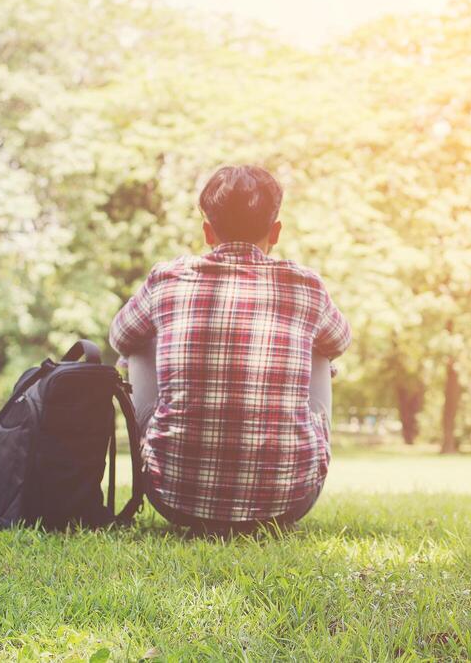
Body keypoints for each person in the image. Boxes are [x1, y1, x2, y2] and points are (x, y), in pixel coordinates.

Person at [109, 164, 351, 536]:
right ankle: (291, 461)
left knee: (137, 344)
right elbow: (340, 342)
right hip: (289, 501)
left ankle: (171, 450)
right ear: (276, 232)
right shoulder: (306, 286)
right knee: (321, 348)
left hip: (173, 497)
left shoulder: (167, 280)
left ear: (208, 232)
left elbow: (119, 337)